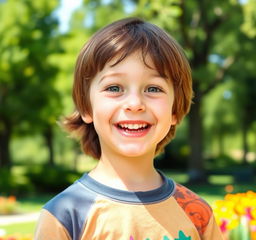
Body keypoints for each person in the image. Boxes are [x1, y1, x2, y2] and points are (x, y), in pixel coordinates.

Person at [35, 17, 223, 240]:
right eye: (114, 87)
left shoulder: (197, 213)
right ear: (86, 107)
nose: (134, 104)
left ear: (174, 110)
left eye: (153, 88)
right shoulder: (64, 215)